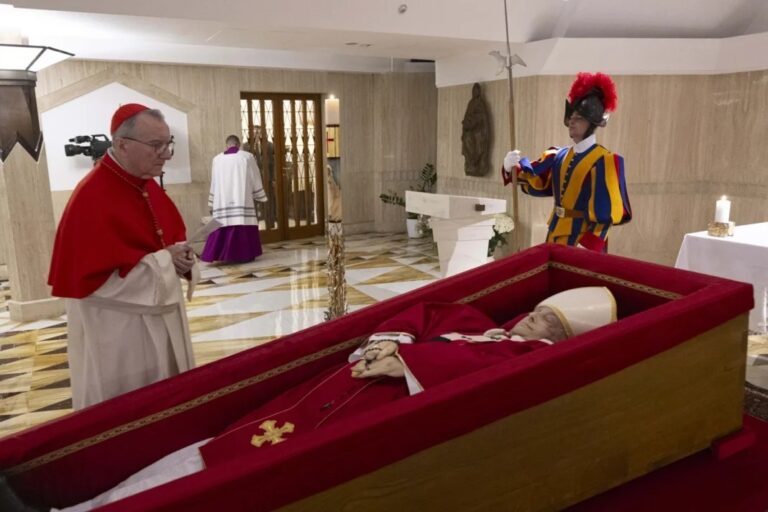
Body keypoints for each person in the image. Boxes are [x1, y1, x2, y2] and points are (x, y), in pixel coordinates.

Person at [54, 287, 615, 510]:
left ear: (557, 342)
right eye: (538, 310)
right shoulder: (484, 324)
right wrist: (393, 338)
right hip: (331, 390)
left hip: (370, 413)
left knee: (241, 472)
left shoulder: (528, 360)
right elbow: (431, 311)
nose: (531, 321)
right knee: (219, 445)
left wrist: (411, 362)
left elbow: (483, 379)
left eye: (548, 324)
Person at [48, 103, 198, 410]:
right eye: (156, 145)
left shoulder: (146, 185)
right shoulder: (91, 196)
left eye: (168, 144)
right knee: (130, 406)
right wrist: (164, 261)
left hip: (161, 313)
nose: (166, 154)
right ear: (121, 144)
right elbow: (94, 284)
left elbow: (168, 240)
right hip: (120, 327)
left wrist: (182, 258)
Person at [502, 72, 632, 252]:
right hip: (554, 235)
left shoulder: (605, 160)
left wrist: (587, 247)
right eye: (571, 117)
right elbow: (538, 184)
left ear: (592, 123)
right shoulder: (558, 155)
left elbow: (606, 216)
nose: (572, 122)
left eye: (578, 118)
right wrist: (511, 168)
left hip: (582, 243)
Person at [201, 135, 268, 263]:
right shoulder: (247, 157)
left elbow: (214, 181)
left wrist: (212, 200)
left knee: (223, 222)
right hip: (241, 197)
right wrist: (258, 194)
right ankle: (244, 254)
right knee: (242, 221)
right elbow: (254, 176)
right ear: (239, 144)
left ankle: (221, 255)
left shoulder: (217, 159)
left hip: (222, 200)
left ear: (227, 145)